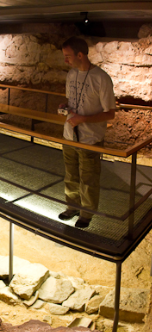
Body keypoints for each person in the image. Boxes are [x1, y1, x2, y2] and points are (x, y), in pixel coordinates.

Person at [57, 37, 116, 229]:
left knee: (88, 178)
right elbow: (73, 101)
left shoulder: (101, 78)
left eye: (68, 56)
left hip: (90, 138)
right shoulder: (72, 75)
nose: (65, 61)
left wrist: (83, 119)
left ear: (80, 55)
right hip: (69, 134)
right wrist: (65, 107)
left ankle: (86, 213)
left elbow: (110, 113)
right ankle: (72, 207)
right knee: (71, 174)